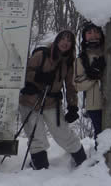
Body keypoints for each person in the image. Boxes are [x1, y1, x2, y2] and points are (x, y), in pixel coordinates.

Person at [19, 30, 86, 170]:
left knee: (62, 132)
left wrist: (73, 106)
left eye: (69, 40)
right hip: (30, 101)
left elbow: (70, 86)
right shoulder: (41, 55)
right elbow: (24, 71)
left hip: (52, 102)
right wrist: (38, 77)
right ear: (57, 41)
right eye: (63, 39)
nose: (65, 42)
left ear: (72, 45)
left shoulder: (68, 63)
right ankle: (40, 165)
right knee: (36, 135)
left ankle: (82, 161)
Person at [74, 21, 111, 172]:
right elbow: (77, 84)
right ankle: (103, 166)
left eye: (96, 32)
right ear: (84, 36)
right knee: (101, 137)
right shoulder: (81, 59)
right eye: (89, 32)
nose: (93, 35)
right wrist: (94, 74)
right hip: (95, 105)